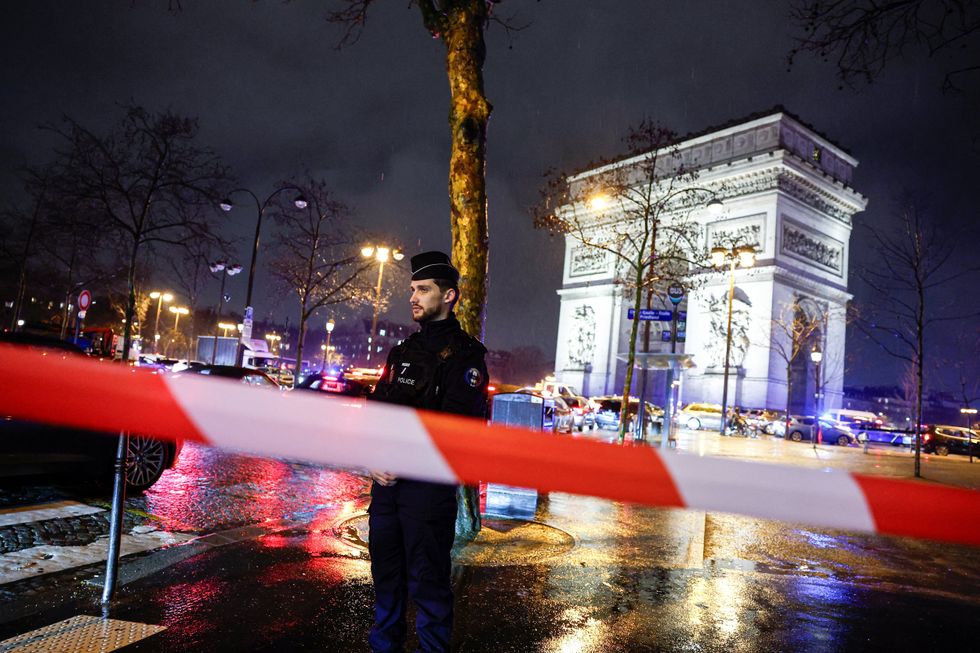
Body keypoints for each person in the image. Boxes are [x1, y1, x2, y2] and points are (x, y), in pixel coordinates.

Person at [367, 251, 489, 653]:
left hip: (427, 493)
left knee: (428, 586)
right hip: (386, 489)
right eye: (412, 290)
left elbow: (456, 431)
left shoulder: (467, 358)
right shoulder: (401, 351)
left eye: (423, 290)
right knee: (386, 580)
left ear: (449, 295)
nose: (413, 298)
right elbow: (377, 412)